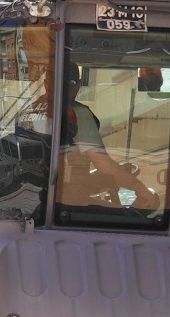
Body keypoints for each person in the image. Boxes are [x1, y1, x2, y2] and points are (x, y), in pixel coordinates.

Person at [58, 63, 158, 211]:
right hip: (70, 205)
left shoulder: (32, 109)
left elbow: (68, 173)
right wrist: (141, 189)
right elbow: (104, 166)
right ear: (78, 85)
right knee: (139, 210)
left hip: (49, 199)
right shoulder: (77, 113)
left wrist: (113, 176)